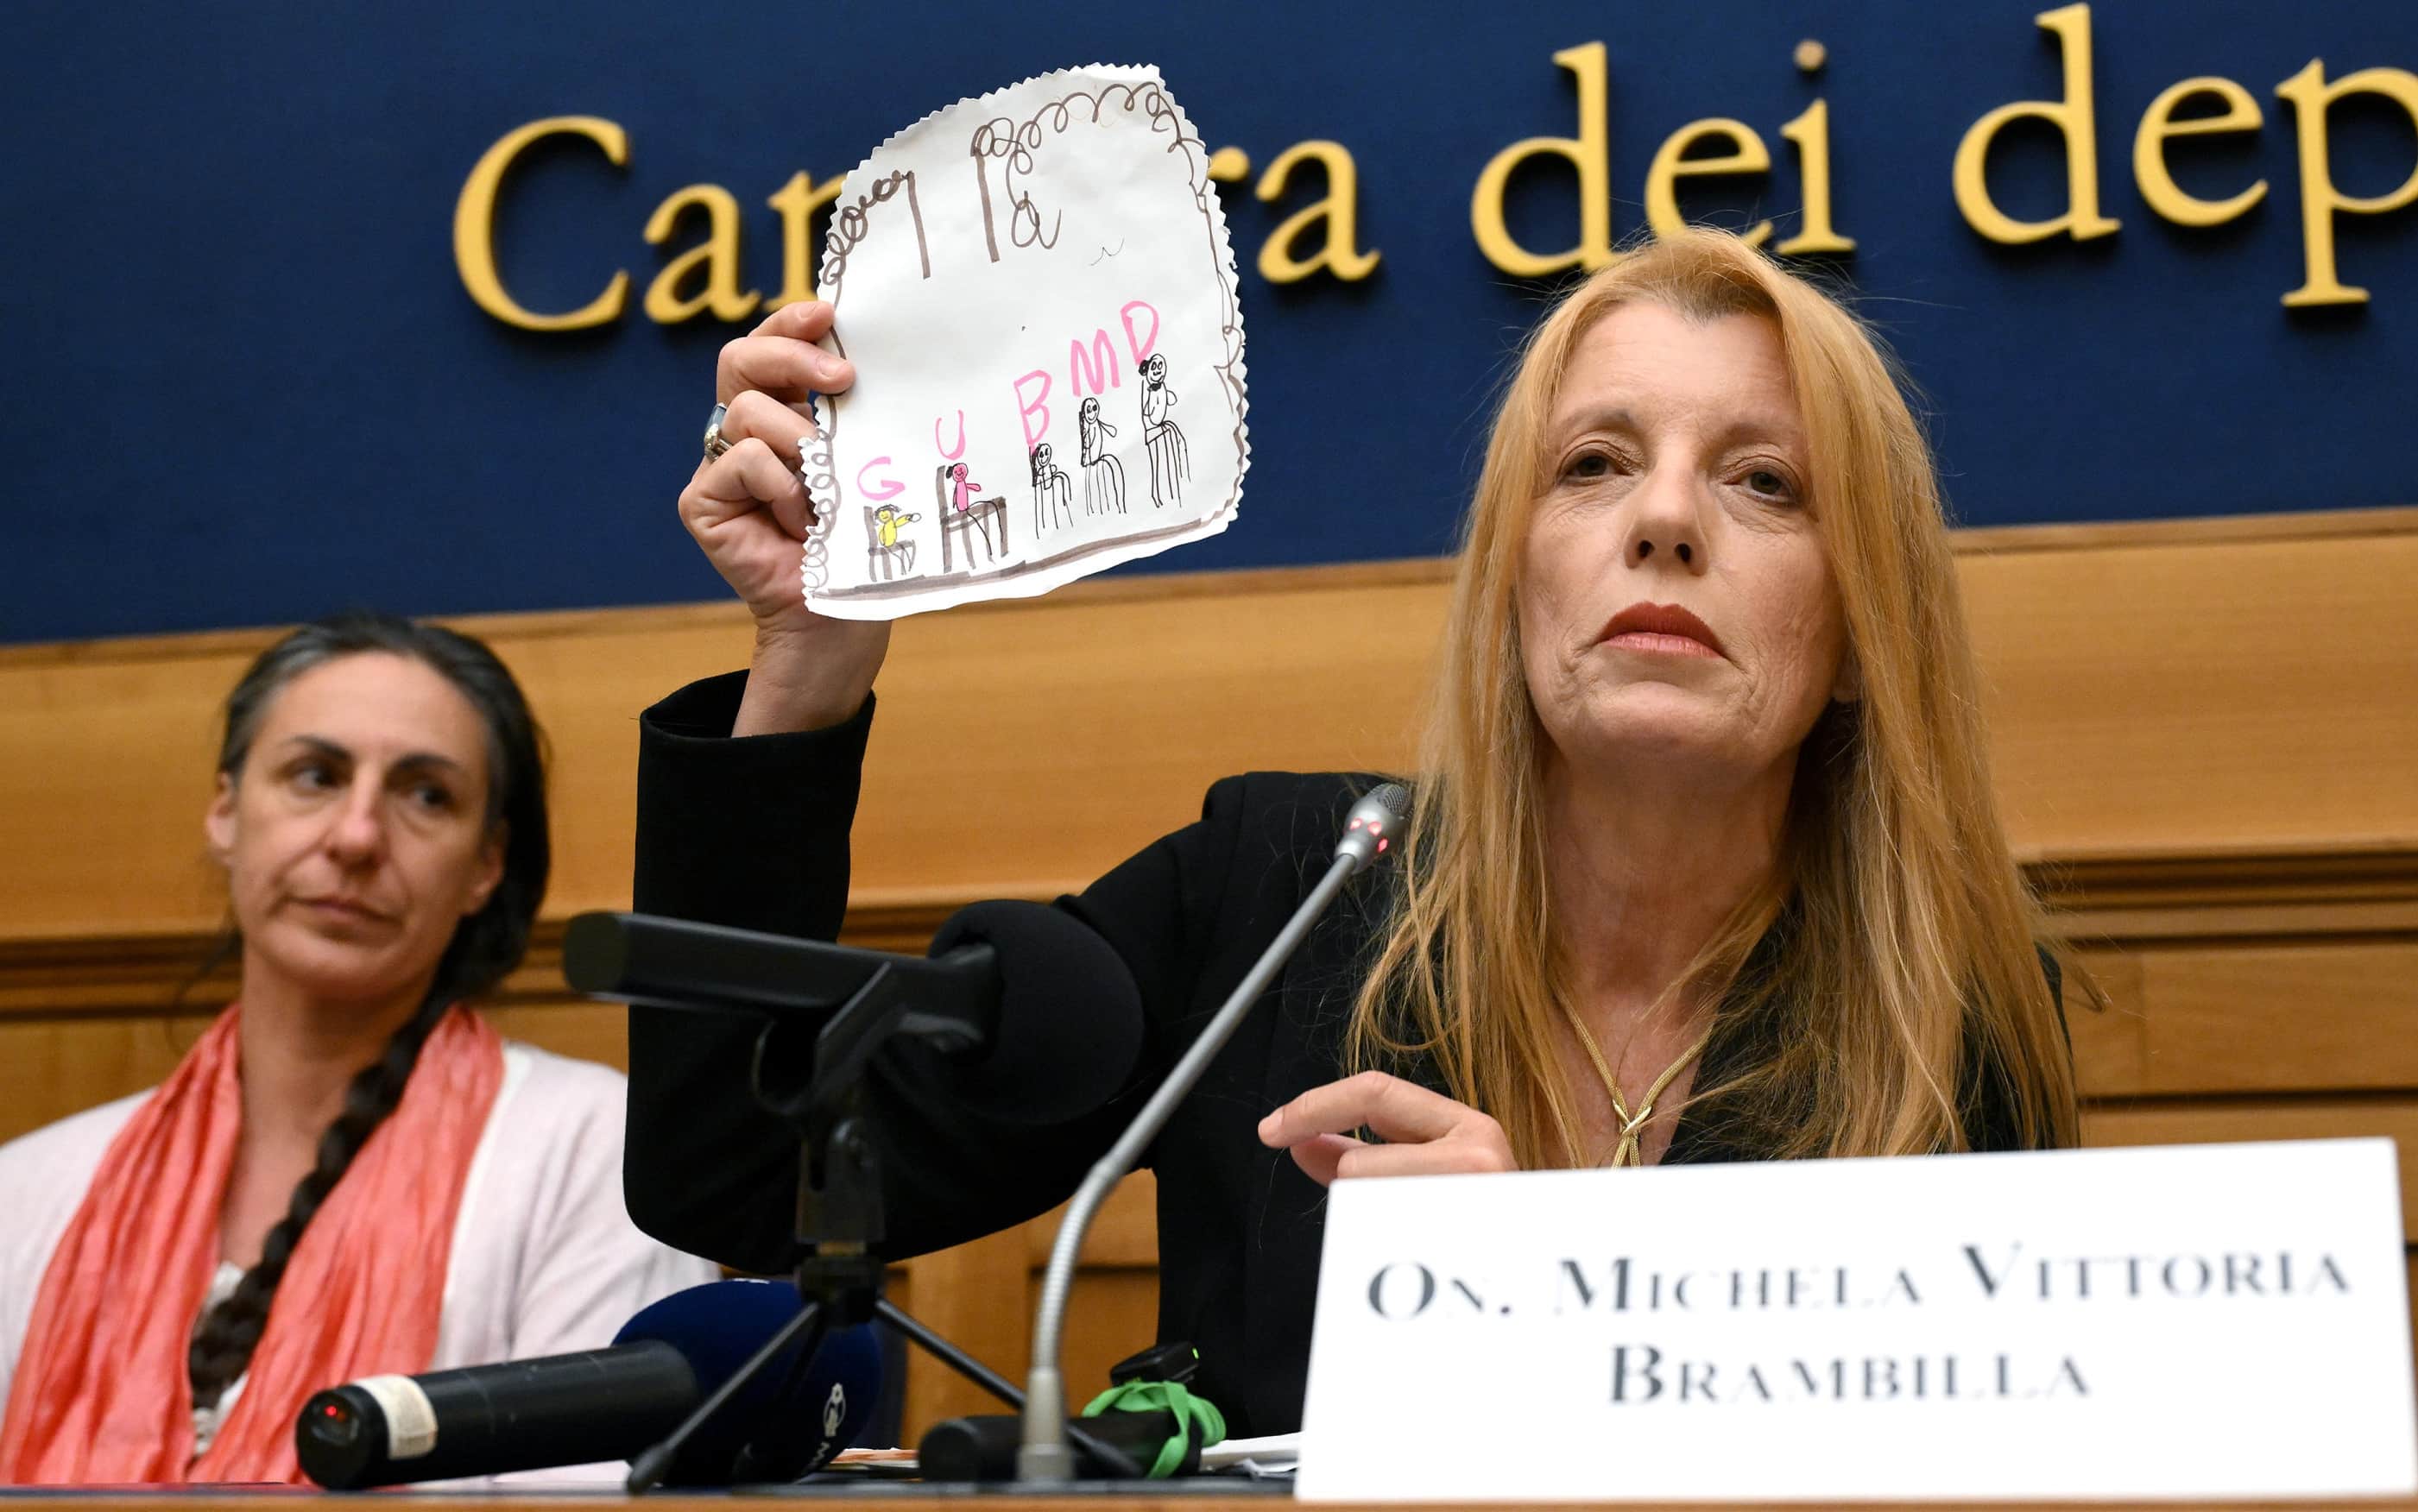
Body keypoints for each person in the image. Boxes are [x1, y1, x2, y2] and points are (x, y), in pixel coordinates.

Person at [628, 230, 2081, 1438]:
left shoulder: (1945, 1027)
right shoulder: (1280, 892)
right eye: (1591, 465)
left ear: (1857, 629)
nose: (1665, 517)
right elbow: (744, 1181)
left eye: (1765, 481)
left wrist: (1555, 1310)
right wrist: (807, 666)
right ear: (1513, 580)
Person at [0, 612, 717, 1485]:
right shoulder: (26, 1190)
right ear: (226, 812)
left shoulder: (591, 1153)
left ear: (486, 865)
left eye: (426, 796)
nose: (356, 837)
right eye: (315, 775)